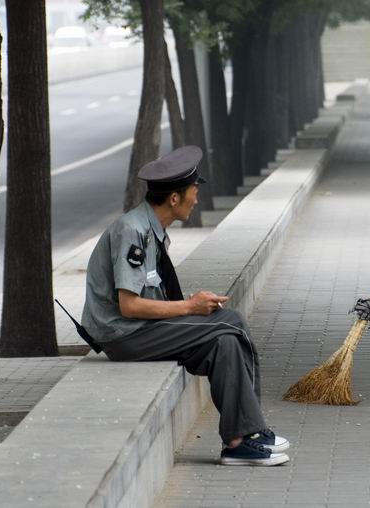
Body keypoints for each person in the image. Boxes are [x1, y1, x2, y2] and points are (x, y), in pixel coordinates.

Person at [80, 145, 290, 466]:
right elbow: (130, 306)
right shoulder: (132, 231)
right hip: (124, 335)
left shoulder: (152, 230)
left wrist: (190, 307)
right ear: (175, 198)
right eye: (194, 190)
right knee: (231, 321)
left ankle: (239, 441)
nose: (197, 198)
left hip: (142, 330)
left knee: (225, 342)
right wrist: (191, 307)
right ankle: (252, 430)